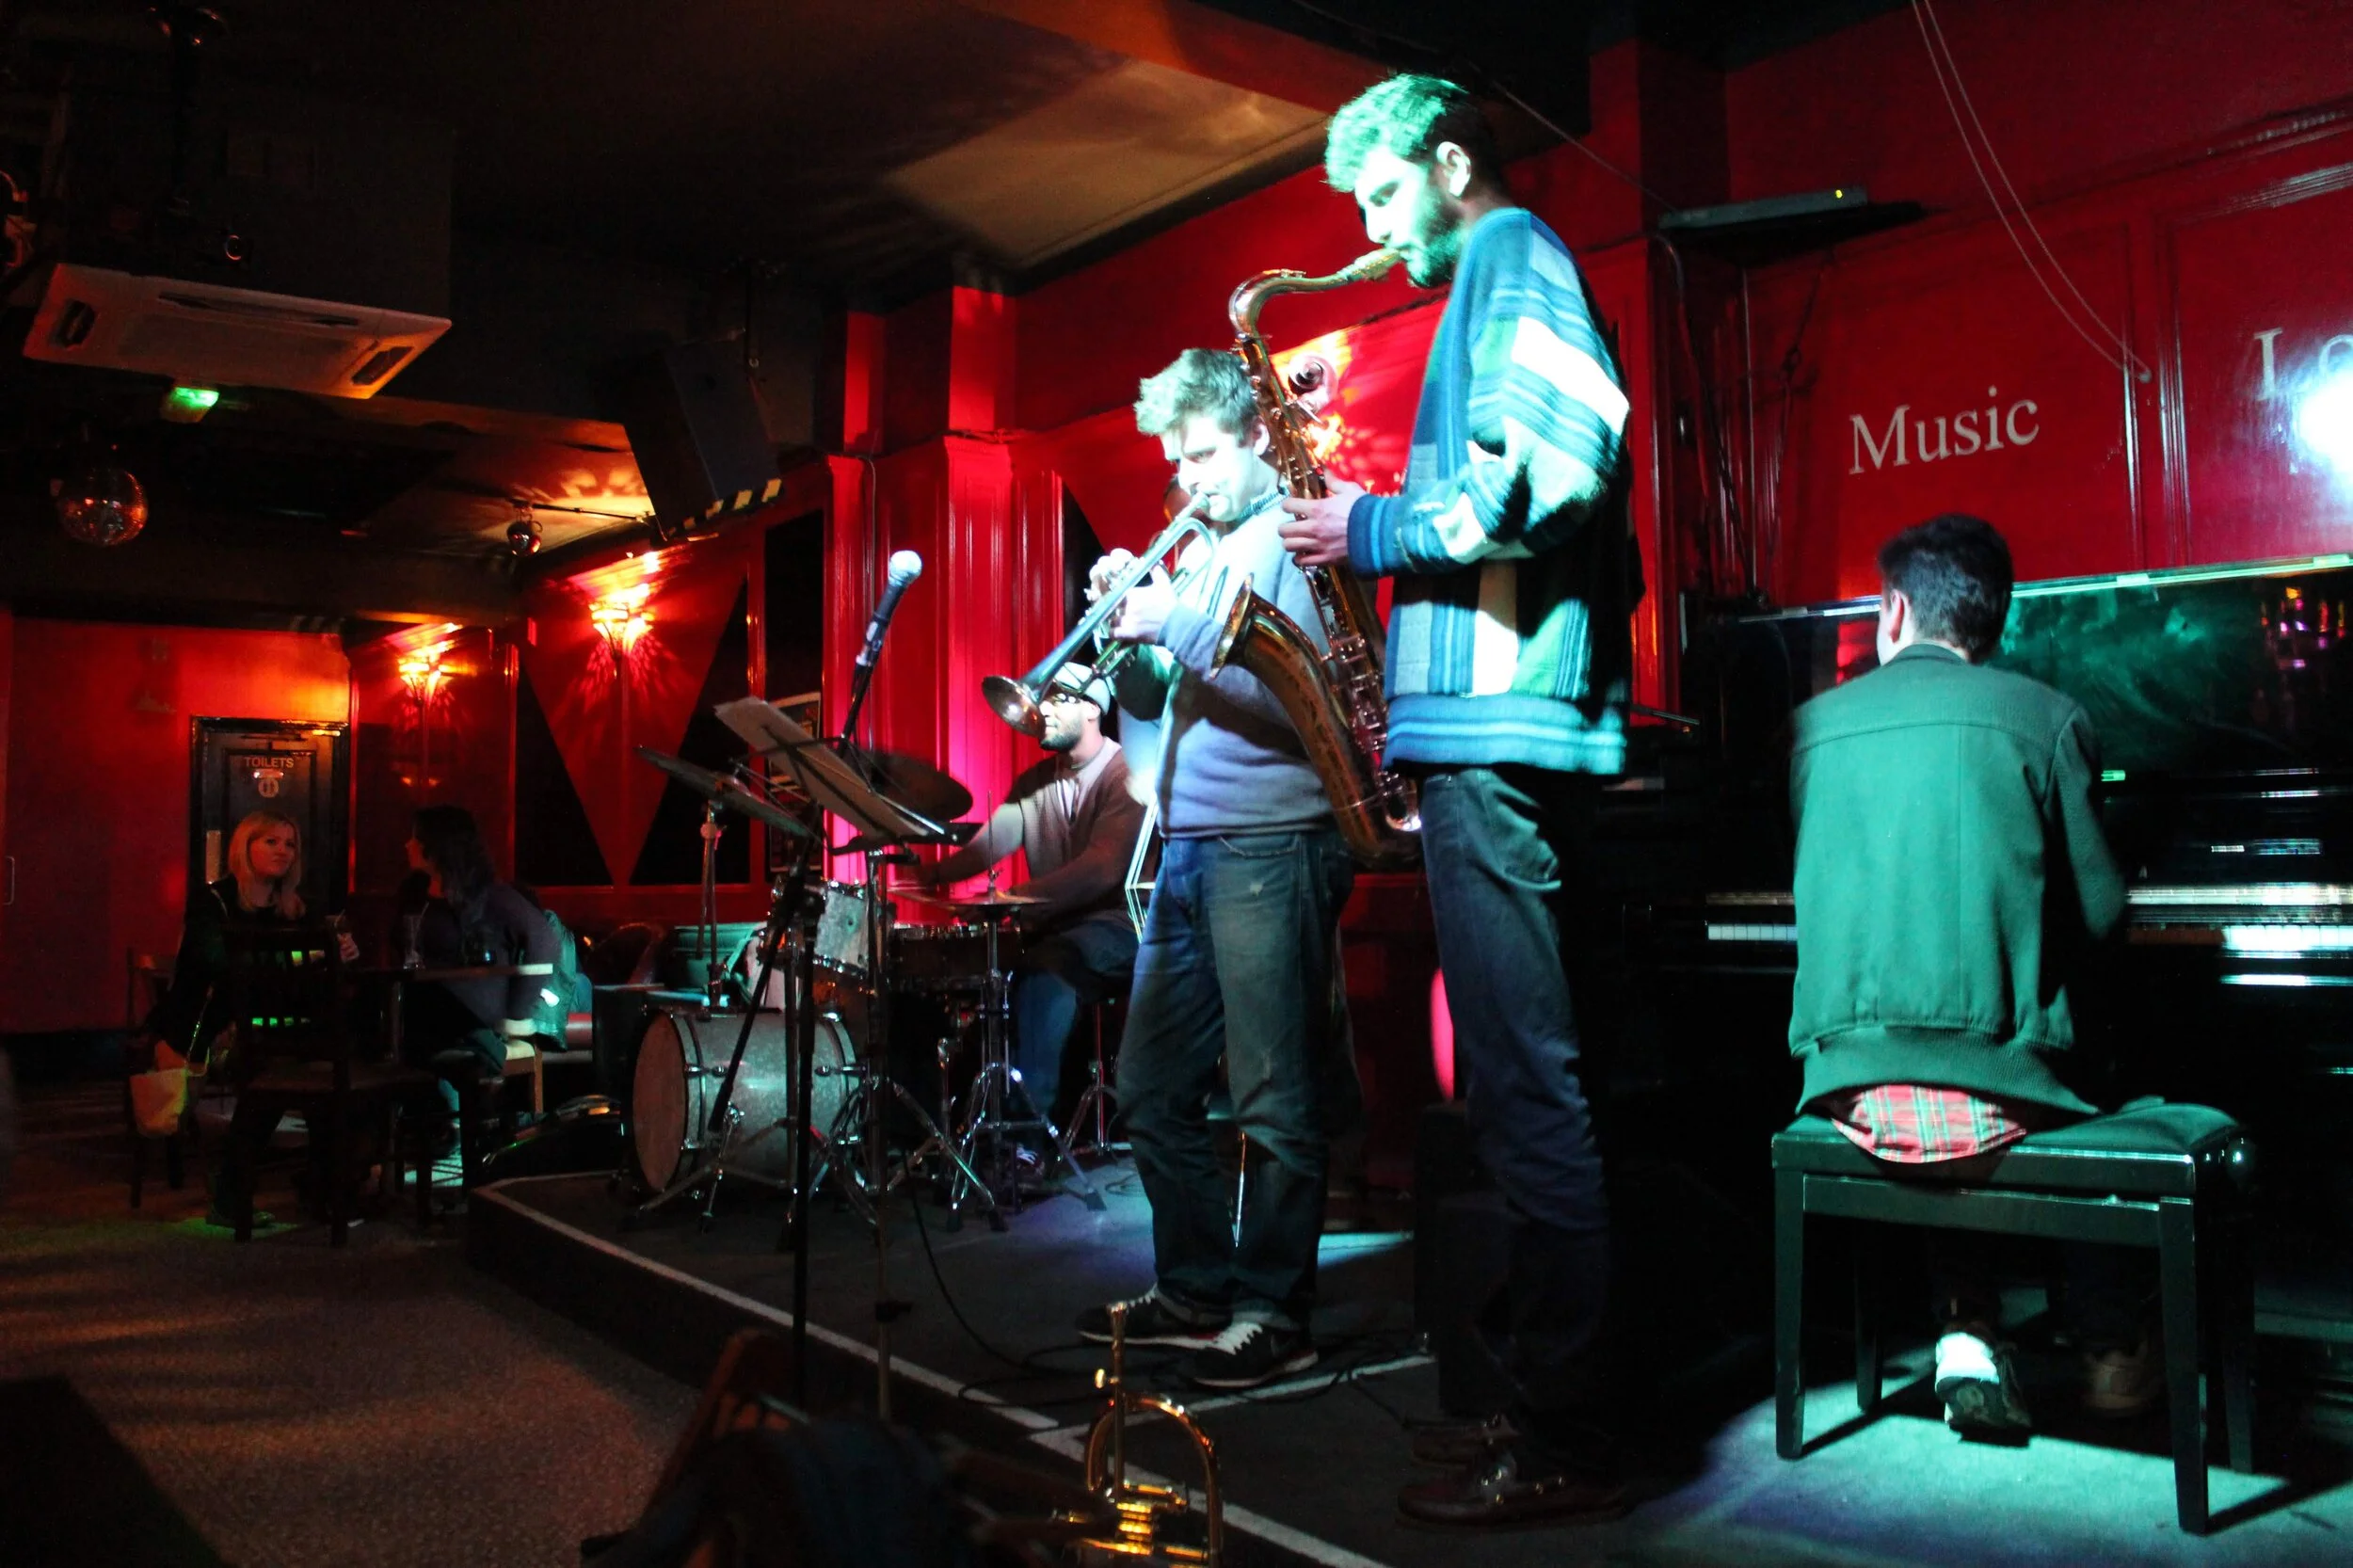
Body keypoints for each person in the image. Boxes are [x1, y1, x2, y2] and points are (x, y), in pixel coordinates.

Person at [1276, 74, 1641, 1526]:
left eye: (1375, 198)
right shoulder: (1500, 267)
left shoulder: (1506, 251)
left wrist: (1365, 521)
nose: (1370, 233)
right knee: (1517, 1083)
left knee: (1525, 1088)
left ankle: (1568, 1432)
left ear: (1444, 163)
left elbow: (1556, 458)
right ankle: (1534, 1402)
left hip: (1499, 733)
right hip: (1489, 731)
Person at [1788, 514, 2151, 1436]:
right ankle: (2111, 1347)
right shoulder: (2048, 715)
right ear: (1995, 624)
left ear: (1892, 607)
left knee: (1938, 1061)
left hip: (1846, 1093)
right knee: (2093, 1068)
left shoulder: (1810, 728)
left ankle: (1968, 1326)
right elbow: (2103, 918)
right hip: (1998, 1092)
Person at [1076, 345, 1357, 1391]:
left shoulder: (1292, 538)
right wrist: (1133, 635)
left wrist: (1178, 623)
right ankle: (1195, 1287)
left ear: (1252, 436)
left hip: (1273, 842)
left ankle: (1276, 1312)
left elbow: (1305, 704)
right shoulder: (1202, 543)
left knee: (1272, 1095)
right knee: (1149, 1086)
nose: (1185, 477)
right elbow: (1167, 700)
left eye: (1201, 454)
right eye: (1175, 458)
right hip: (1196, 845)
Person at [918, 662, 1147, 1133]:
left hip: (1118, 930)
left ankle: (1028, 1131)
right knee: (972, 971)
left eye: (1055, 699)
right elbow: (990, 841)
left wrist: (1014, 897)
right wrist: (931, 874)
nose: (1040, 709)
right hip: (1051, 931)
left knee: (1045, 968)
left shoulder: (1126, 774)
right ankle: (949, 1122)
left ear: (1091, 708)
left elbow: (1103, 869)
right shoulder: (1036, 782)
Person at [144, 810, 360, 1228]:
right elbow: (217, 964)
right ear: (245, 847)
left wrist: (343, 951)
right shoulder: (214, 902)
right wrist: (304, 956)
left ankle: (318, 1190)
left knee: (321, 1064)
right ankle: (255, 1194)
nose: (283, 852)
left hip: (277, 1025)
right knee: (284, 1069)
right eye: (271, 842)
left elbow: (317, 965)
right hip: (211, 1031)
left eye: (290, 844)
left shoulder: (297, 906)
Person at [397, 805, 563, 1087]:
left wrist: (517, 1014)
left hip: (475, 1009)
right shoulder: (420, 896)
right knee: (389, 1010)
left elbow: (545, 941)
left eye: (415, 837)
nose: (407, 844)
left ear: (434, 845)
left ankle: (475, 1054)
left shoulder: (491, 896)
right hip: (436, 1004)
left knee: (413, 1016)